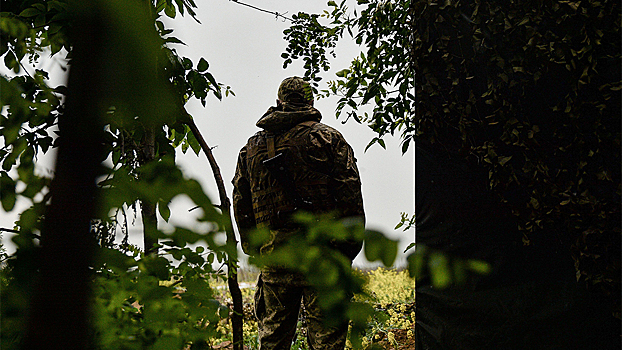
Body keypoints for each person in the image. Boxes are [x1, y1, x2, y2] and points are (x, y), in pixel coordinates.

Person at [232, 76, 364, 350]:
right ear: (310, 101)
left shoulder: (252, 148)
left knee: (272, 341)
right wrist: (346, 250)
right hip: (324, 258)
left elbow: (241, 203)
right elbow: (350, 196)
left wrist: (256, 248)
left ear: (279, 102)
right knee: (327, 342)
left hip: (276, 258)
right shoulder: (327, 139)